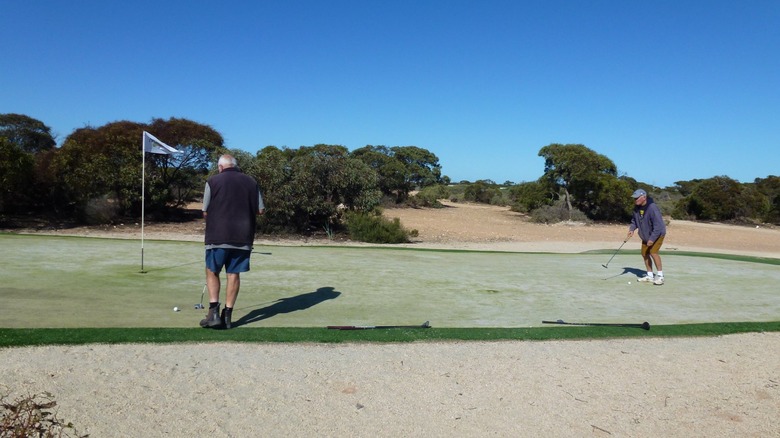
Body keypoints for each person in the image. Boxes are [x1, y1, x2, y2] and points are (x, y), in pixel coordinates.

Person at [199, 154, 264, 329]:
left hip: (218, 235)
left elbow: (204, 210)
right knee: (233, 274)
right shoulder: (251, 182)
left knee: (212, 270)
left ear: (220, 167)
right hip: (243, 236)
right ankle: (227, 316)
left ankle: (213, 314)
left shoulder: (213, 181)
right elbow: (260, 210)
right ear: (236, 165)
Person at [627, 188, 667, 285]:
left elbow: (658, 226)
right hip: (645, 235)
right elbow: (634, 221)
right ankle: (649, 276)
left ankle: (660, 276)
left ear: (643, 197)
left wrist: (652, 239)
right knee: (644, 254)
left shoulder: (652, 207)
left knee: (653, 252)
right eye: (634, 198)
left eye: (637, 198)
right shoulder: (636, 208)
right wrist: (632, 229)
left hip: (657, 234)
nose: (635, 200)